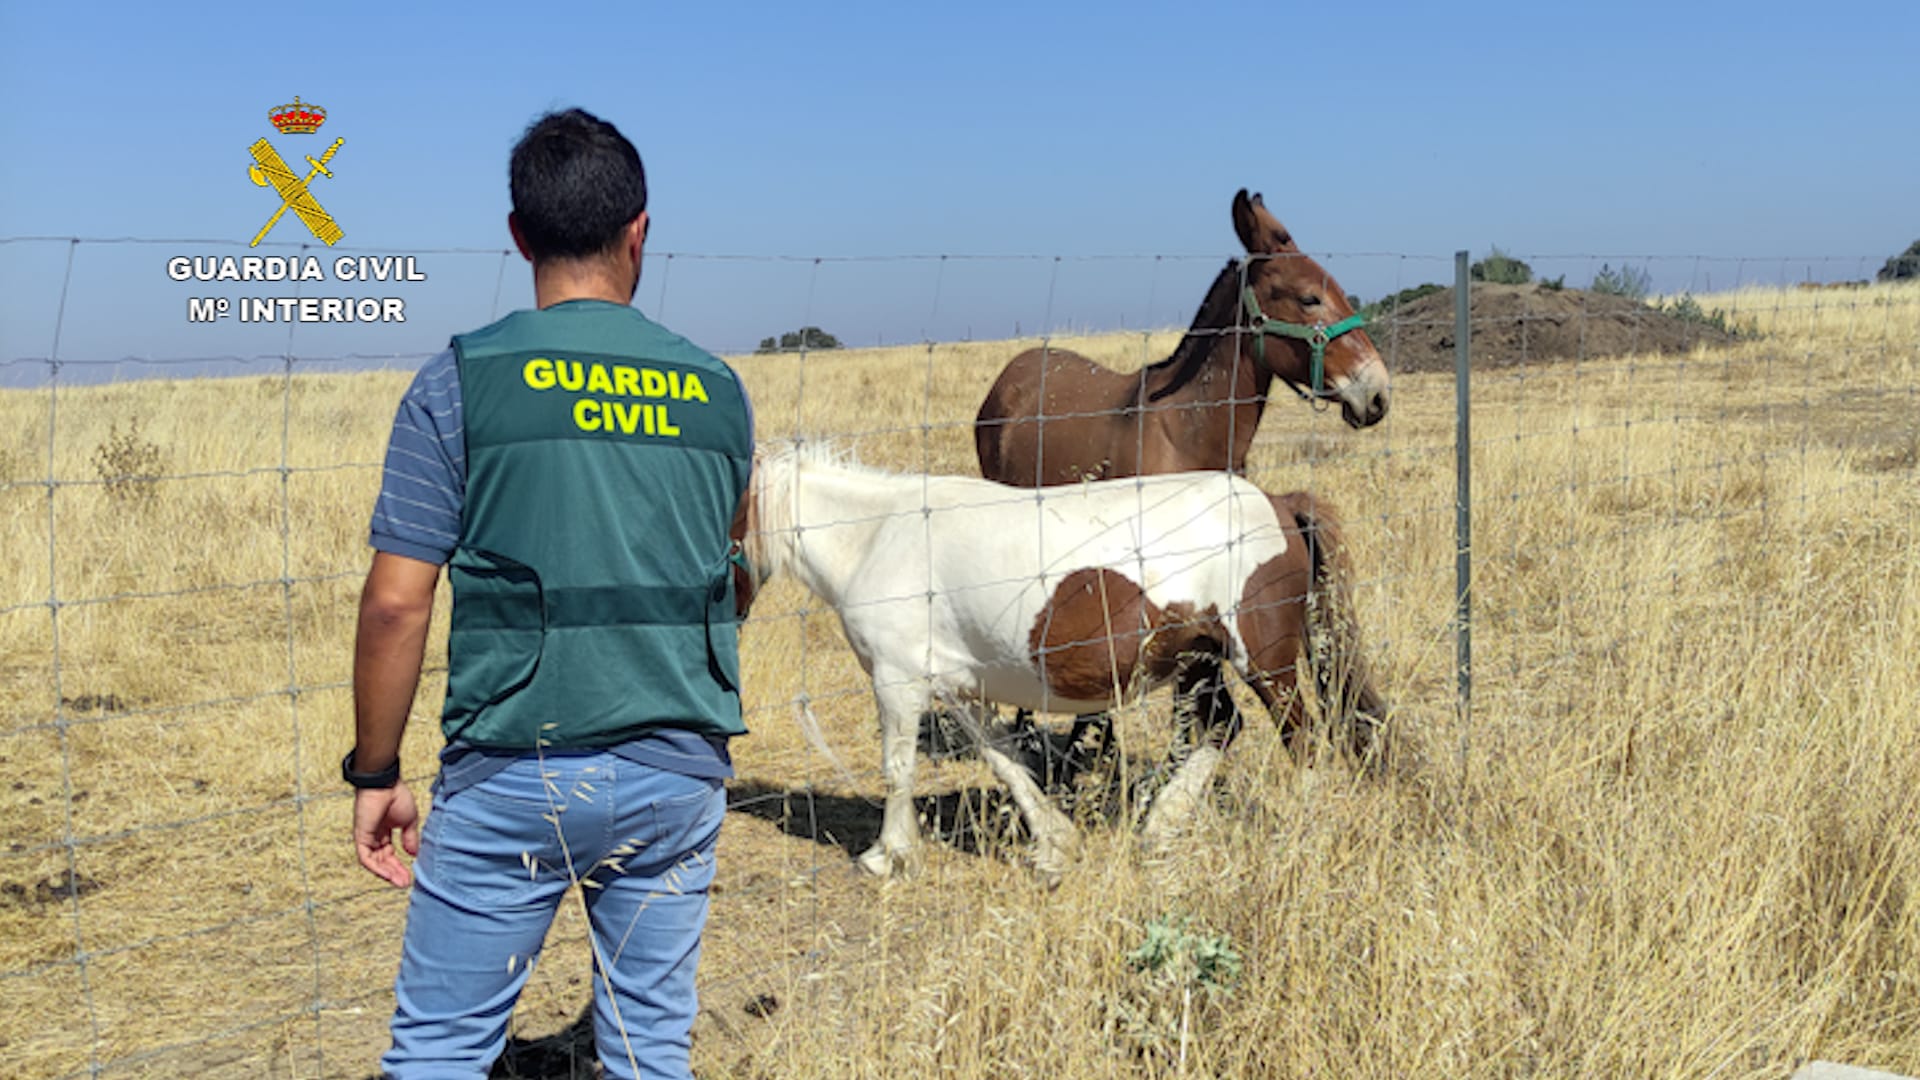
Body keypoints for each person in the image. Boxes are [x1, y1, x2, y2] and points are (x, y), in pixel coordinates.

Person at [345, 107, 754, 1080]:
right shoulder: (717, 391)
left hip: (511, 771)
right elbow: (728, 575)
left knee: (442, 1051)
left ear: (520, 235)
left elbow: (398, 603)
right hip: (678, 769)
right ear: (640, 231)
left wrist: (375, 773)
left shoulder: (458, 384)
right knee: (650, 1050)